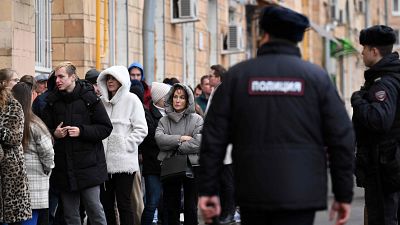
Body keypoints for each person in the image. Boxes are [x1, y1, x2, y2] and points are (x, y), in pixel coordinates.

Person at [198, 5, 355, 225]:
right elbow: (342, 138)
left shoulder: (238, 77)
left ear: (265, 35)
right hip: (302, 194)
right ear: (297, 39)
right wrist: (343, 194)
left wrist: (208, 189)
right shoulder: (316, 78)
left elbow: (213, 138)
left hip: (253, 193)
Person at [41, 62, 112, 225]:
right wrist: (55, 134)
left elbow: (105, 128)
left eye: (61, 77)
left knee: (95, 211)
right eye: (56, 77)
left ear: (73, 77)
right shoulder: (52, 101)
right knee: (71, 216)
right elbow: (43, 131)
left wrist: (82, 131)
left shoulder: (90, 98)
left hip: (89, 167)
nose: (57, 80)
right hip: (64, 167)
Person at [351, 25, 400, 225]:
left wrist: (358, 100)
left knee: (383, 218)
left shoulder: (385, 82)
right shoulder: (392, 76)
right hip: (390, 166)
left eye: (364, 47)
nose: (361, 52)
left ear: (374, 51)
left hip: (385, 171)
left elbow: (379, 120)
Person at [97, 66, 148, 225]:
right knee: (106, 203)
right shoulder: (101, 101)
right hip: (104, 162)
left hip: (124, 162)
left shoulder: (132, 99)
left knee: (124, 203)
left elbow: (141, 129)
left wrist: (125, 145)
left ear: (122, 80)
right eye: (108, 78)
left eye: (114, 78)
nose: (110, 82)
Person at [155, 83, 203, 225]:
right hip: (170, 166)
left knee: (190, 206)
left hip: (192, 166)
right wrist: (181, 138)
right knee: (171, 205)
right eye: (175, 96)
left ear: (188, 100)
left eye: (182, 97)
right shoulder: (163, 120)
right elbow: (159, 140)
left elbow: (198, 142)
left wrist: (176, 147)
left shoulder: (197, 119)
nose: (177, 100)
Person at [11, 82, 55, 225]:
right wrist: (47, 169)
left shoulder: (9, 121)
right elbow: (47, 152)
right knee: (30, 219)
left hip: (13, 180)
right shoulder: (35, 124)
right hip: (34, 180)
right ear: (31, 97)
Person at [203, 64, 235, 224]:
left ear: (219, 77)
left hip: (226, 148)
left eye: (212, 75)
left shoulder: (224, 92)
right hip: (218, 147)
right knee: (221, 182)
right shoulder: (215, 92)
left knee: (227, 182)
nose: (209, 78)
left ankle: (229, 211)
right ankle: (223, 211)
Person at [0, 68, 32, 224]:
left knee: (9, 216)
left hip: (10, 166)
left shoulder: (14, 106)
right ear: (4, 83)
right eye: (15, 80)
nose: (18, 84)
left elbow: (14, 138)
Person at [140, 82, 171, 225]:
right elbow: (152, 138)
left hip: (171, 165)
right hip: (153, 165)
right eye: (167, 96)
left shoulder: (172, 112)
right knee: (152, 202)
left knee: (167, 203)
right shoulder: (147, 114)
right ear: (158, 97)